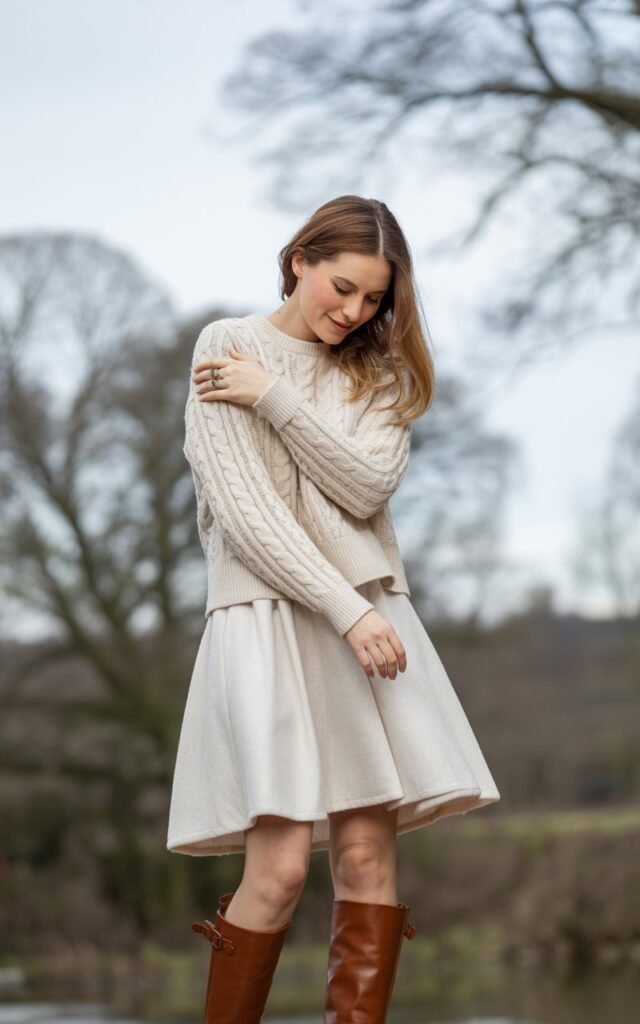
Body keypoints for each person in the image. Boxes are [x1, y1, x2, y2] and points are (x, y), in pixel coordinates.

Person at [166, 194, 500, 1022]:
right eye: (342, 287)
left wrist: (274, 398)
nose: (353, 312)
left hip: (369, 626)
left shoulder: (378, 373)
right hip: (272, 618)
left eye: (373, 300)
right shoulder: (226, 345)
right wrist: (344, 611)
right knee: (276, 870)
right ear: (299, 261)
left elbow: (364, 486)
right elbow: (247, 515)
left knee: (364, 859)